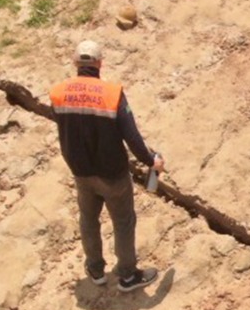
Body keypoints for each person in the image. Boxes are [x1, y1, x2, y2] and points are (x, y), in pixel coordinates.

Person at [49, 39, 165, 292]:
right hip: (112, 174)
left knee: (88, 219)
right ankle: (127, 276)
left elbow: (64, 126)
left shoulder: (58, 93)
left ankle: (95, 269)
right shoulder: (112, 94)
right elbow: (131, 136)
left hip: (80, 171)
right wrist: (151, 160)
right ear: (100, 63)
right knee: (123, 222)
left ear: (75, 63)